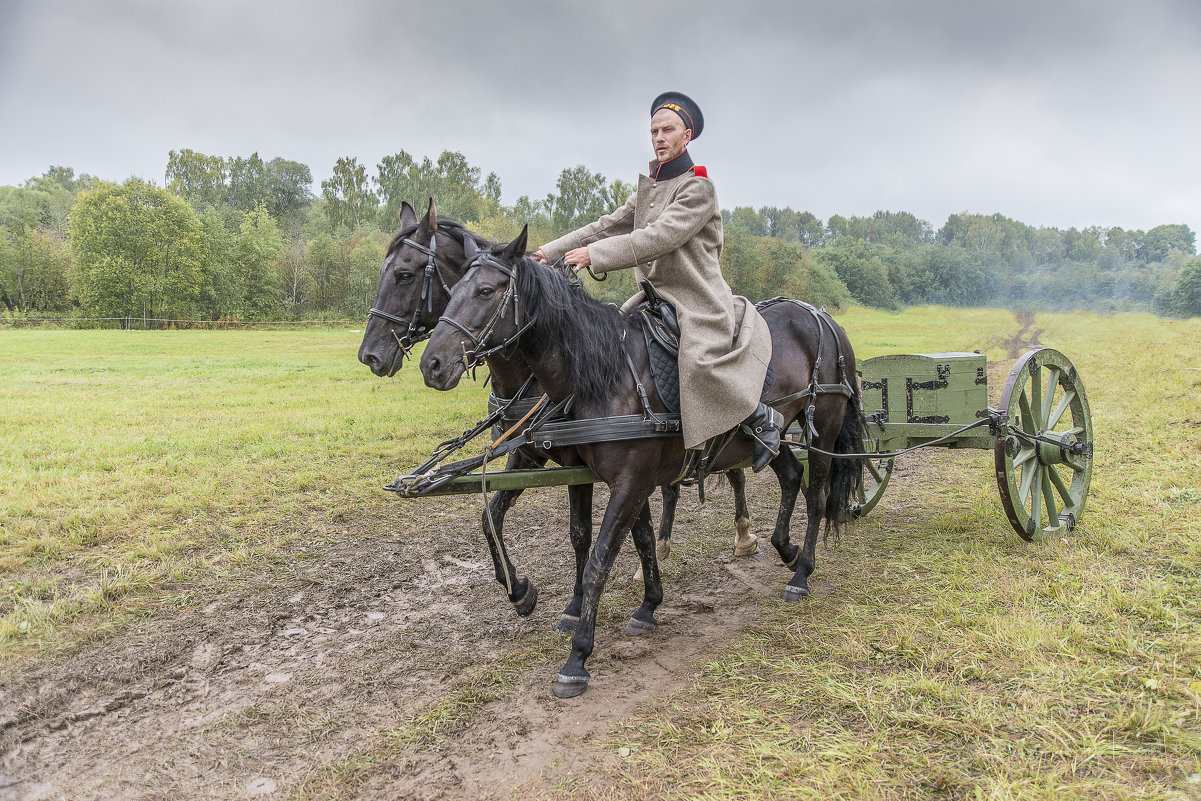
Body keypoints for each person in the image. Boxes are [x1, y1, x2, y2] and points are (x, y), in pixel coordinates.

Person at [533, 91, 783, 471]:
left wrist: (595, 256)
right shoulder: (649, 188)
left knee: (697, 360)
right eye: (654, 131)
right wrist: (547, 253)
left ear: (688, 135)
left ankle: (760, 417)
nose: (659, 137)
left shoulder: (698, 187)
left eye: (668, 130)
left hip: (697, 299)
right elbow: (604, 225)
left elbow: (659, 237)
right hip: (653, 298)